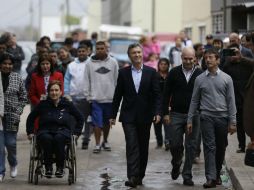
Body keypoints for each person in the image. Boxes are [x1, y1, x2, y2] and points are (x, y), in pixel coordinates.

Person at [110, 43, 161, 188]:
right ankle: (132, 176)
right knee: (132, 145)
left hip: (145, 116)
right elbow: (117, 95)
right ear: (129, 56)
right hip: (128, 116)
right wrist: (112, 115)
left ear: (142, 54)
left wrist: (158, 112)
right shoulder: (123, 73)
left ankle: (140, 175)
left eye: (139, 52)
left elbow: (157, 95)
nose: (137, 55)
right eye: (134, 53)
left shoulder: (151, 72)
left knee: (143, 146)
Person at [187, 48, 237, 188]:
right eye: (206, 57)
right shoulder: (199, 79)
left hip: (222, 118)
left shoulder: (227, 79)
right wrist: (190, 119)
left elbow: (231, 101)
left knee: (221, 147)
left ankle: (217, 174)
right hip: (206, 117)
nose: (207, 60)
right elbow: (194, 101)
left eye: (211, 57)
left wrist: (233, 121)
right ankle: (210, 177)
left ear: (218, 60)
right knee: (209, 147)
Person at [26, 80, 84, 178]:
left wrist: (77, 133)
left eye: (56, 90)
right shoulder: (43, 104)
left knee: (59, 138)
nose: (54, 93)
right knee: (46, 138)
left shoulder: (67, 104)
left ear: (61, 92)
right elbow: (31, 118)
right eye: (52, 90)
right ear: (48, 92)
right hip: (45, 130)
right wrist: (30, 132)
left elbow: (80, 118)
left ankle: (60, 168)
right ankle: (48, 168)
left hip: (63, 131)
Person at [163, 47, 202, 186]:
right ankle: (176, 162)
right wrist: (165, 113)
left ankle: (187, 175)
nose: (188, 61)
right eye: (185, 58)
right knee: (175, 144)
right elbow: (166, 93)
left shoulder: (200, 74)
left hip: (195, 115)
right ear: (181, 57)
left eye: (190, 59)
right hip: (176, 114)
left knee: (191, 146)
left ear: (195, 59)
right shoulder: (173, 73)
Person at [84, 41, 119, 153]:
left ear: (106, 49)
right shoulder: (89, 63)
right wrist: (88, 96)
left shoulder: (113, 62)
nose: (100, 50)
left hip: (110, 98)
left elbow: (117, 80)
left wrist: (117, 96)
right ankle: (97, 144)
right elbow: (86, 80)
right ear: (95, 49)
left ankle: (106, 141)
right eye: (98, 48)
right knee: (97, 123)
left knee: (107, 123)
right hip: (95, 99)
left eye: (102, 48)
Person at [0, 53, 27, 182]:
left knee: (10, 143)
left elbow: (23, 97)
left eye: (10, 64)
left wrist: (19, 110)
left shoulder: (17, 77)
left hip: (12, 115)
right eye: (4, 63)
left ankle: (13, 163)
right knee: (0, 146)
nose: (7, 66)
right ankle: (1, 171)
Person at [64, 45, 92, 150]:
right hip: (73, 97)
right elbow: (67, 79)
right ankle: (73, 139)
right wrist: (66, 93)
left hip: (87, 97)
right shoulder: (71, 65)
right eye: (79, 51)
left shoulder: (91, 63)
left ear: (87, 52)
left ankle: (86, 140)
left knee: (88, 120)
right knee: (72, 119)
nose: (81, 53)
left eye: (83, 51)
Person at [153, 58, 171, 150]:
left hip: (168, 103)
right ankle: (159, 142)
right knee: (157, 124)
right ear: (158, 65)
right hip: (156, 104)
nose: (163, 66)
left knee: (168, 124)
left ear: (168, 65)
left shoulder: (171, 75)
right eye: (161, 64)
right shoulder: (155, 76)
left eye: (165, 64)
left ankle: (167, 141)